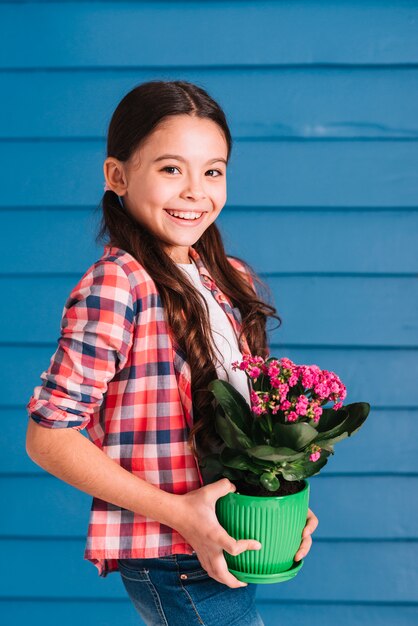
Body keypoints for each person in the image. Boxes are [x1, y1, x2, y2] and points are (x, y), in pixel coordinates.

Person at [25, 80, 318, 626]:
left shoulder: (229, 279)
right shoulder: (119, 284)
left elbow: (253, 427)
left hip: (227, 540)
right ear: (117, 176)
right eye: (170, 169)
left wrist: (282, 504)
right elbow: (49, 435)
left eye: (212, 170)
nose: (195, 192)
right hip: (174, 556)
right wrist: (180, 513)